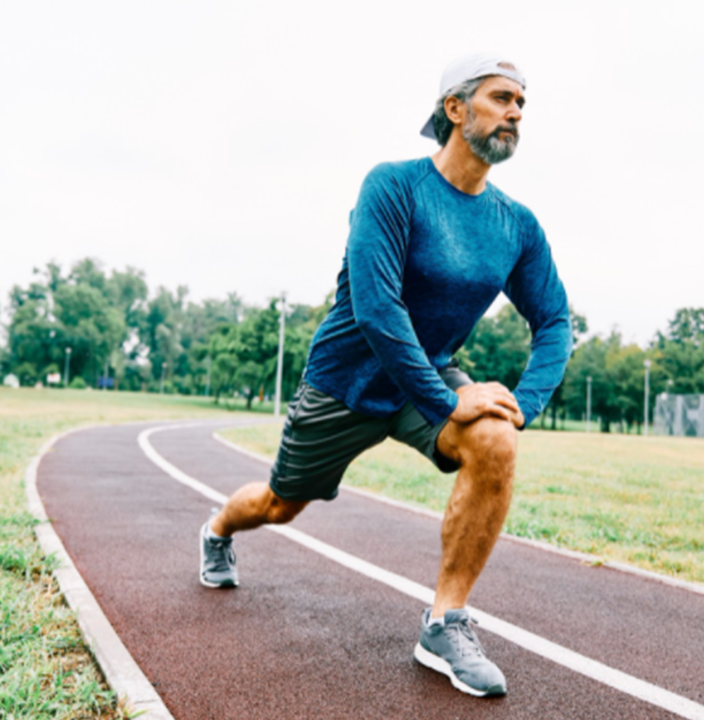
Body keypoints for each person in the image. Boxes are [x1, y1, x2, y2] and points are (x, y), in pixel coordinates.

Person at [199, 53, 572, 698]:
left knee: (494, 438)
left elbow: (556, 322)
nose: (516, 111)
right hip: (346, 382)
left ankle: (444, 623)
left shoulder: (517, 224)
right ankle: (217, 531)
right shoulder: (393, 187)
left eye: (522, 103)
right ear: (455, 109)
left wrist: (522, 404)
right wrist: (445, 402)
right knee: (280, 503)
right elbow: (377, 308)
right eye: (501, 97)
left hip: (427, 375)